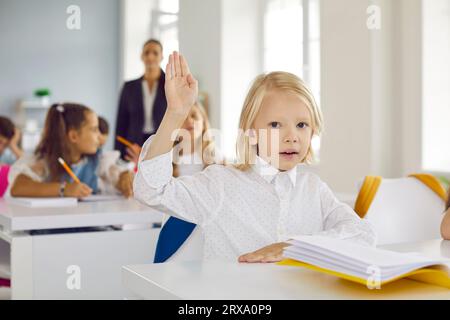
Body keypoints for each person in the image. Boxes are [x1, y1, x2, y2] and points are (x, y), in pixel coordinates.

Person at [134, 52, 376, 262]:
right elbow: (151, 190)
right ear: (251, 133)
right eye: (275, 125)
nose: (292, 137)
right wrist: (175, 114)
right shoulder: (221, 184)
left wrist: (295, 248)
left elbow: (362, 234)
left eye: (302, 124)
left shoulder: (313, 189)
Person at [8, 103, 133, 198]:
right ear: (74, 136)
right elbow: (18, 187)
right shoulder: (44, 162)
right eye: (94, 130)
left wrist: (123, 178)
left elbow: (114, 174)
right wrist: (64, 189)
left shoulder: (99, 160)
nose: (99, 137)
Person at [154, 102, 222, 263]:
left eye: (194, 116)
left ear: (204, 123)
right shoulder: (168, 157)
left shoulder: (215, 157)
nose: (190, 121)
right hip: (176, 222)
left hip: (206, 226)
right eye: (184, 118)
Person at [115, 39, 167, 159]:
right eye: (147, 52)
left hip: (162, 142)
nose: (150, 56)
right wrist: (118, 153)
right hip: (134, 143)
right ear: (141, 56)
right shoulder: (129, 87)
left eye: (155, 53)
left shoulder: (169, 85)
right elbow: (121, 122)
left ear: (162, 56)